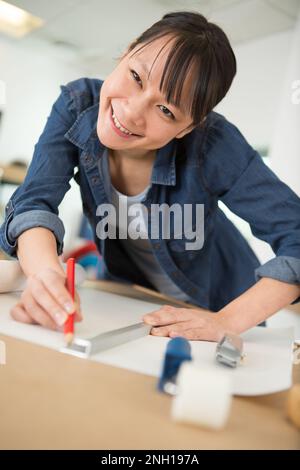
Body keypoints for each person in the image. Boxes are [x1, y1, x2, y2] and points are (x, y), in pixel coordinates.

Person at [1, 11, 299, 341]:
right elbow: (33, 203)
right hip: (135, 302)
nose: (131, 112)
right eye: (136, 77)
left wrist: (225, 321)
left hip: (215, 308)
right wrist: (45, 276)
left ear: (188, 127)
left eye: (166, 110)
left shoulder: (214, 144)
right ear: (128, 51)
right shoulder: (76, 106)